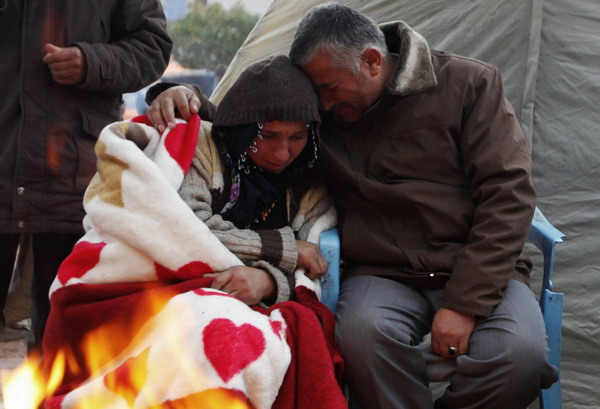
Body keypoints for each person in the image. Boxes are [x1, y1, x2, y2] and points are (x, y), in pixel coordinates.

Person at [148, 3, 559, 409]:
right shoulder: (326, 109)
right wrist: (180, 94)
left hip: (476, 265)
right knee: (360, 339)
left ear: (373, 61)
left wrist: (463, 304)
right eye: (316, 93)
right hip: (381, 272)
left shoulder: (470, 85)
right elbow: (253, 123)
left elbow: (508, 194)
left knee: (518, 357)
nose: (321, 106)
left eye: (328, 89)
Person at [0, 0, 172, 348]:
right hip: (4, 156)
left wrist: (91, 62)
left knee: (62, 332)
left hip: (74, 169)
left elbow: (153, 48)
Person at [149, 55, 331, 304]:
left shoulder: (309, 183)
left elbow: (318, 269)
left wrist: (268, 283)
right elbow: (186, 229)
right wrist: (285, 248)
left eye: (297, 137)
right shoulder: (204, 149)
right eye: (267, 135)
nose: (282, 153)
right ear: (242, 128)